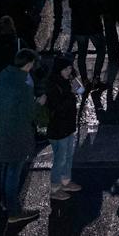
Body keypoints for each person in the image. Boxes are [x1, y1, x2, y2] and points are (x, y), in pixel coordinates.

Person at [0, 48, 43, 223]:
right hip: (18, 133)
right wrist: (39, 103)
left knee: (6, 168)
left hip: (2, 129)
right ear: (28, 65)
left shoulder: (2, 78)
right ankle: (14, 211)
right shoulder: (23, 87)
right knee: (14, 171)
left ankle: (6, 202)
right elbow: (30, 114)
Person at [45, 53, 84, 202]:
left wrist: (75, 81)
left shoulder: (67, 81)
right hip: (57, 128)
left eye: (70, 68)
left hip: (68, 126)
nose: (69, 71)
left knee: (68, 155)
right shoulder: (53, 85)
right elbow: (57, 107)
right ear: (58, 70)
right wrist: (70, 94)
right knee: (60, 159)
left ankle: (66, 182)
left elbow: (81, 91)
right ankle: (55, 188)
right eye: (66, 69)